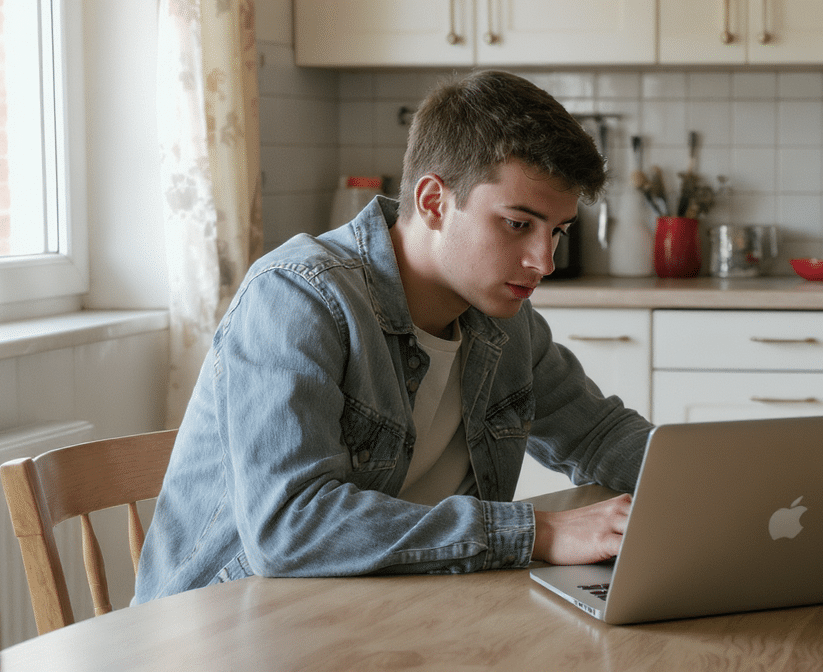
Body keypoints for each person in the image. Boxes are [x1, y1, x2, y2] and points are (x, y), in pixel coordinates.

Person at [134, 71, 651, 604]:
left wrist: (700, 485)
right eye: (518, 224)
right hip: (225, 624)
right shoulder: (296, 297)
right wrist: (537, 533)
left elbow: (599, 435)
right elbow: (289, 526)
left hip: (392, 609)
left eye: (557, 231)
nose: (544, 261)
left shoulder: (504, 319)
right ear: (433, 202)